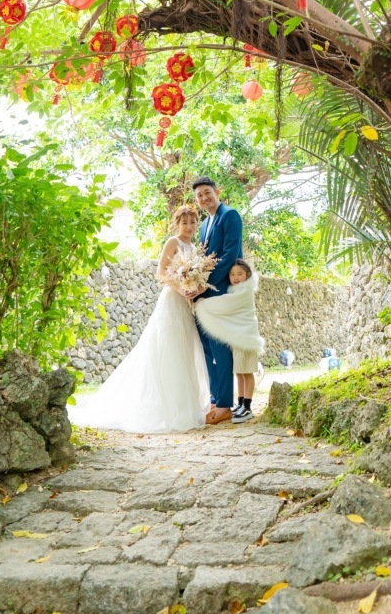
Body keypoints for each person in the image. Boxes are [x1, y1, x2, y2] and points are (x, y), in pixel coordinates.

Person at [67, 205, 210, 433]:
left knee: (185, 349)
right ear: (177, 224)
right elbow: (161, 273)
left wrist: (194, 288)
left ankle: (184, 405)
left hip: (186, 305)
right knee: (168, 349)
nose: (189, 227)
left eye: (192, 222)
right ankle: (164, 408)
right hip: (172, 301)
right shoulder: (172, 242)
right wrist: (181, 288)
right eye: (184, 223)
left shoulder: (194, 248)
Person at [191, 176, 243, 425]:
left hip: (221, 290)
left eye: (207, 192)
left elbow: (230, 253)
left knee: (220, 348)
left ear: (217, 192)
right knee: (208, 348)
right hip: (203, 294)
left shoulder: (230, 215)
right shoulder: (204, 224)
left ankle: (224, 405)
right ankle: (215, 400)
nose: (204, 198)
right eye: (199, 195)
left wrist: (206, 283)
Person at [194, 258, 264, 423]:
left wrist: (202, 303)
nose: (236, 277)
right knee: (239, 372)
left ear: (248, 275)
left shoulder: (244, 291)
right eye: (232, 274)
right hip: (238, 337)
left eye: (240, 274)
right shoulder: (235, 290)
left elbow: (225, 304)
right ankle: (240, 403)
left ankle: (247, 406)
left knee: (247, 373)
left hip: (246, 337)